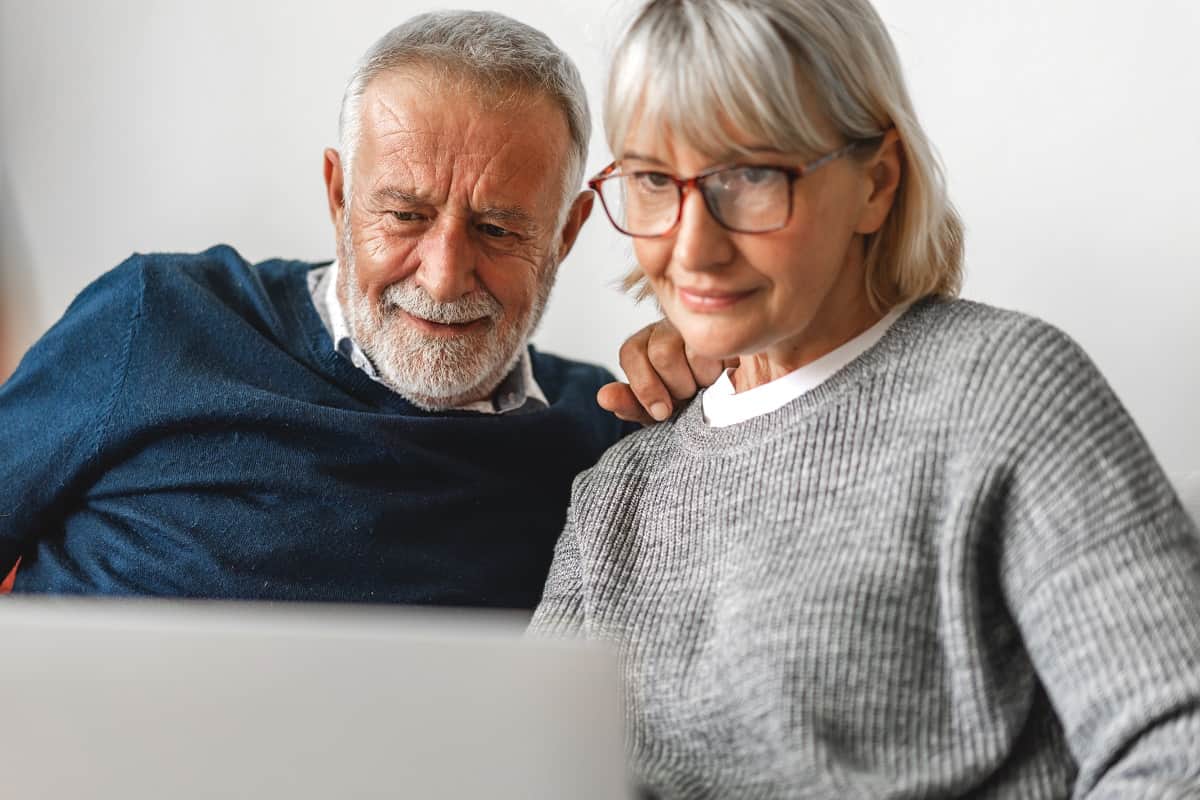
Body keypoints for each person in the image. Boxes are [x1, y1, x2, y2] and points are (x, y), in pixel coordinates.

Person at [530, 0, 1200, 796]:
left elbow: (1177, 739)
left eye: (749, 176)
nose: (694, 246)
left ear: (876, 183)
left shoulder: (1006, 392)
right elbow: (524, 770)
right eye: (650, 180)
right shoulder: (618, 493)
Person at [0, 11, 690, 607]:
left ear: (565, 234)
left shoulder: (604, 436)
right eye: (405, 215)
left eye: (499, 230)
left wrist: (722, 383)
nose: (445, 278)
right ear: (338, 196)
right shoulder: (156, 321)